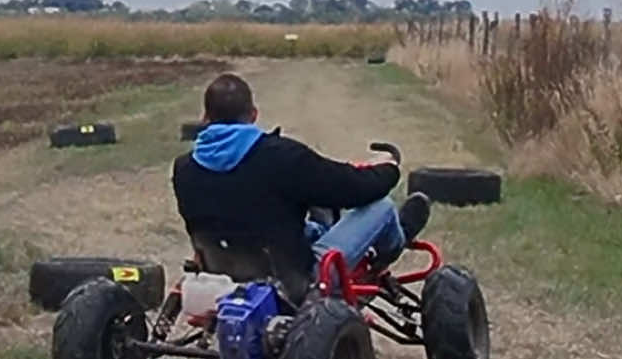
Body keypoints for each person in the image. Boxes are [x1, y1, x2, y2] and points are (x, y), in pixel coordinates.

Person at [172, 72, 430, 301]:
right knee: (382, 207)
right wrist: (388, 168)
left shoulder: (183, 168)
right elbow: (356, 189)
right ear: (253, 115)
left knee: (305, 222)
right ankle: (395, 242)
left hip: (221, 278)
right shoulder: (283, 156)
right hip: (296, 282)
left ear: (205, 118)